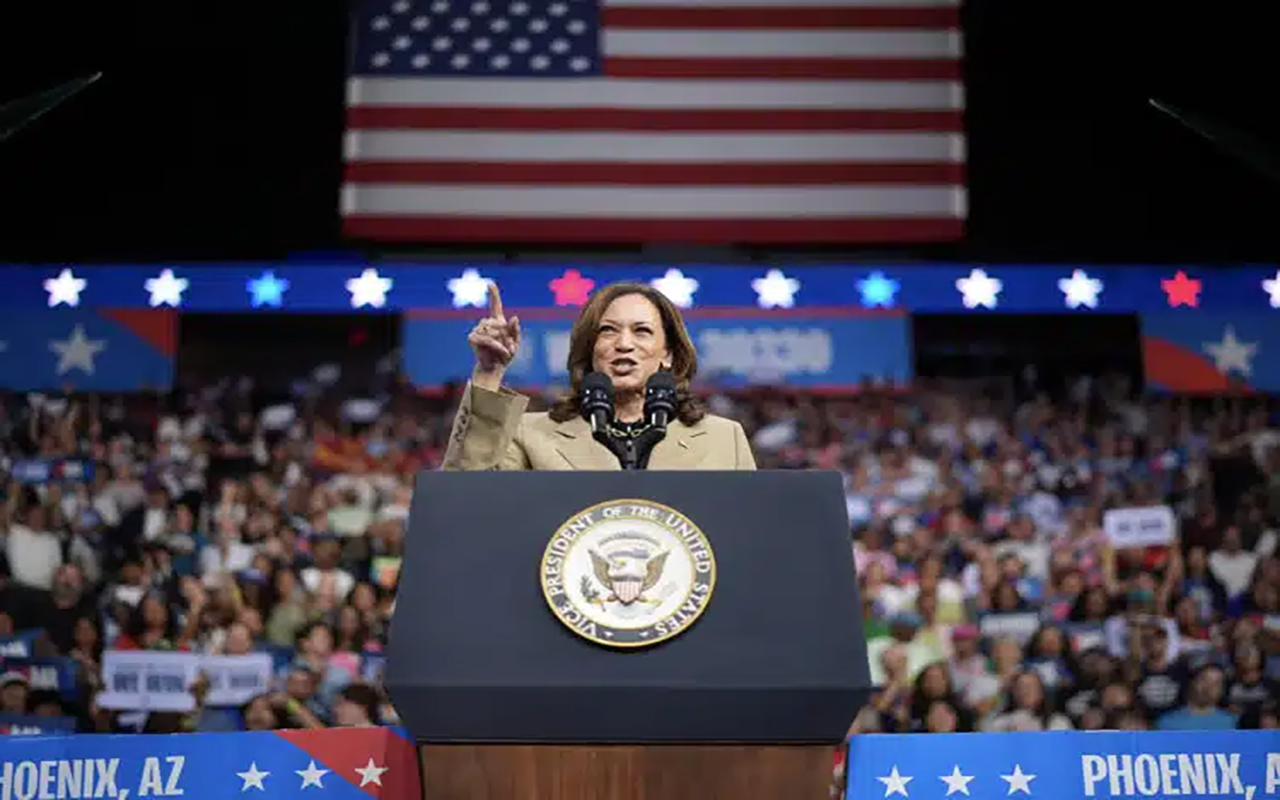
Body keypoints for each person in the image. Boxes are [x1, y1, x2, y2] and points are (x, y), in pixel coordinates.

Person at [443, 281, 755, 471]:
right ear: (590, 350)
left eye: (642, 331)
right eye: (608, 331)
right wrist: (489, 372)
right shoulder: (531, 434)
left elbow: (749, 534)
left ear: (668, 355)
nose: (624, 344)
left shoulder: (724, 439)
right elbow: (466, 497)